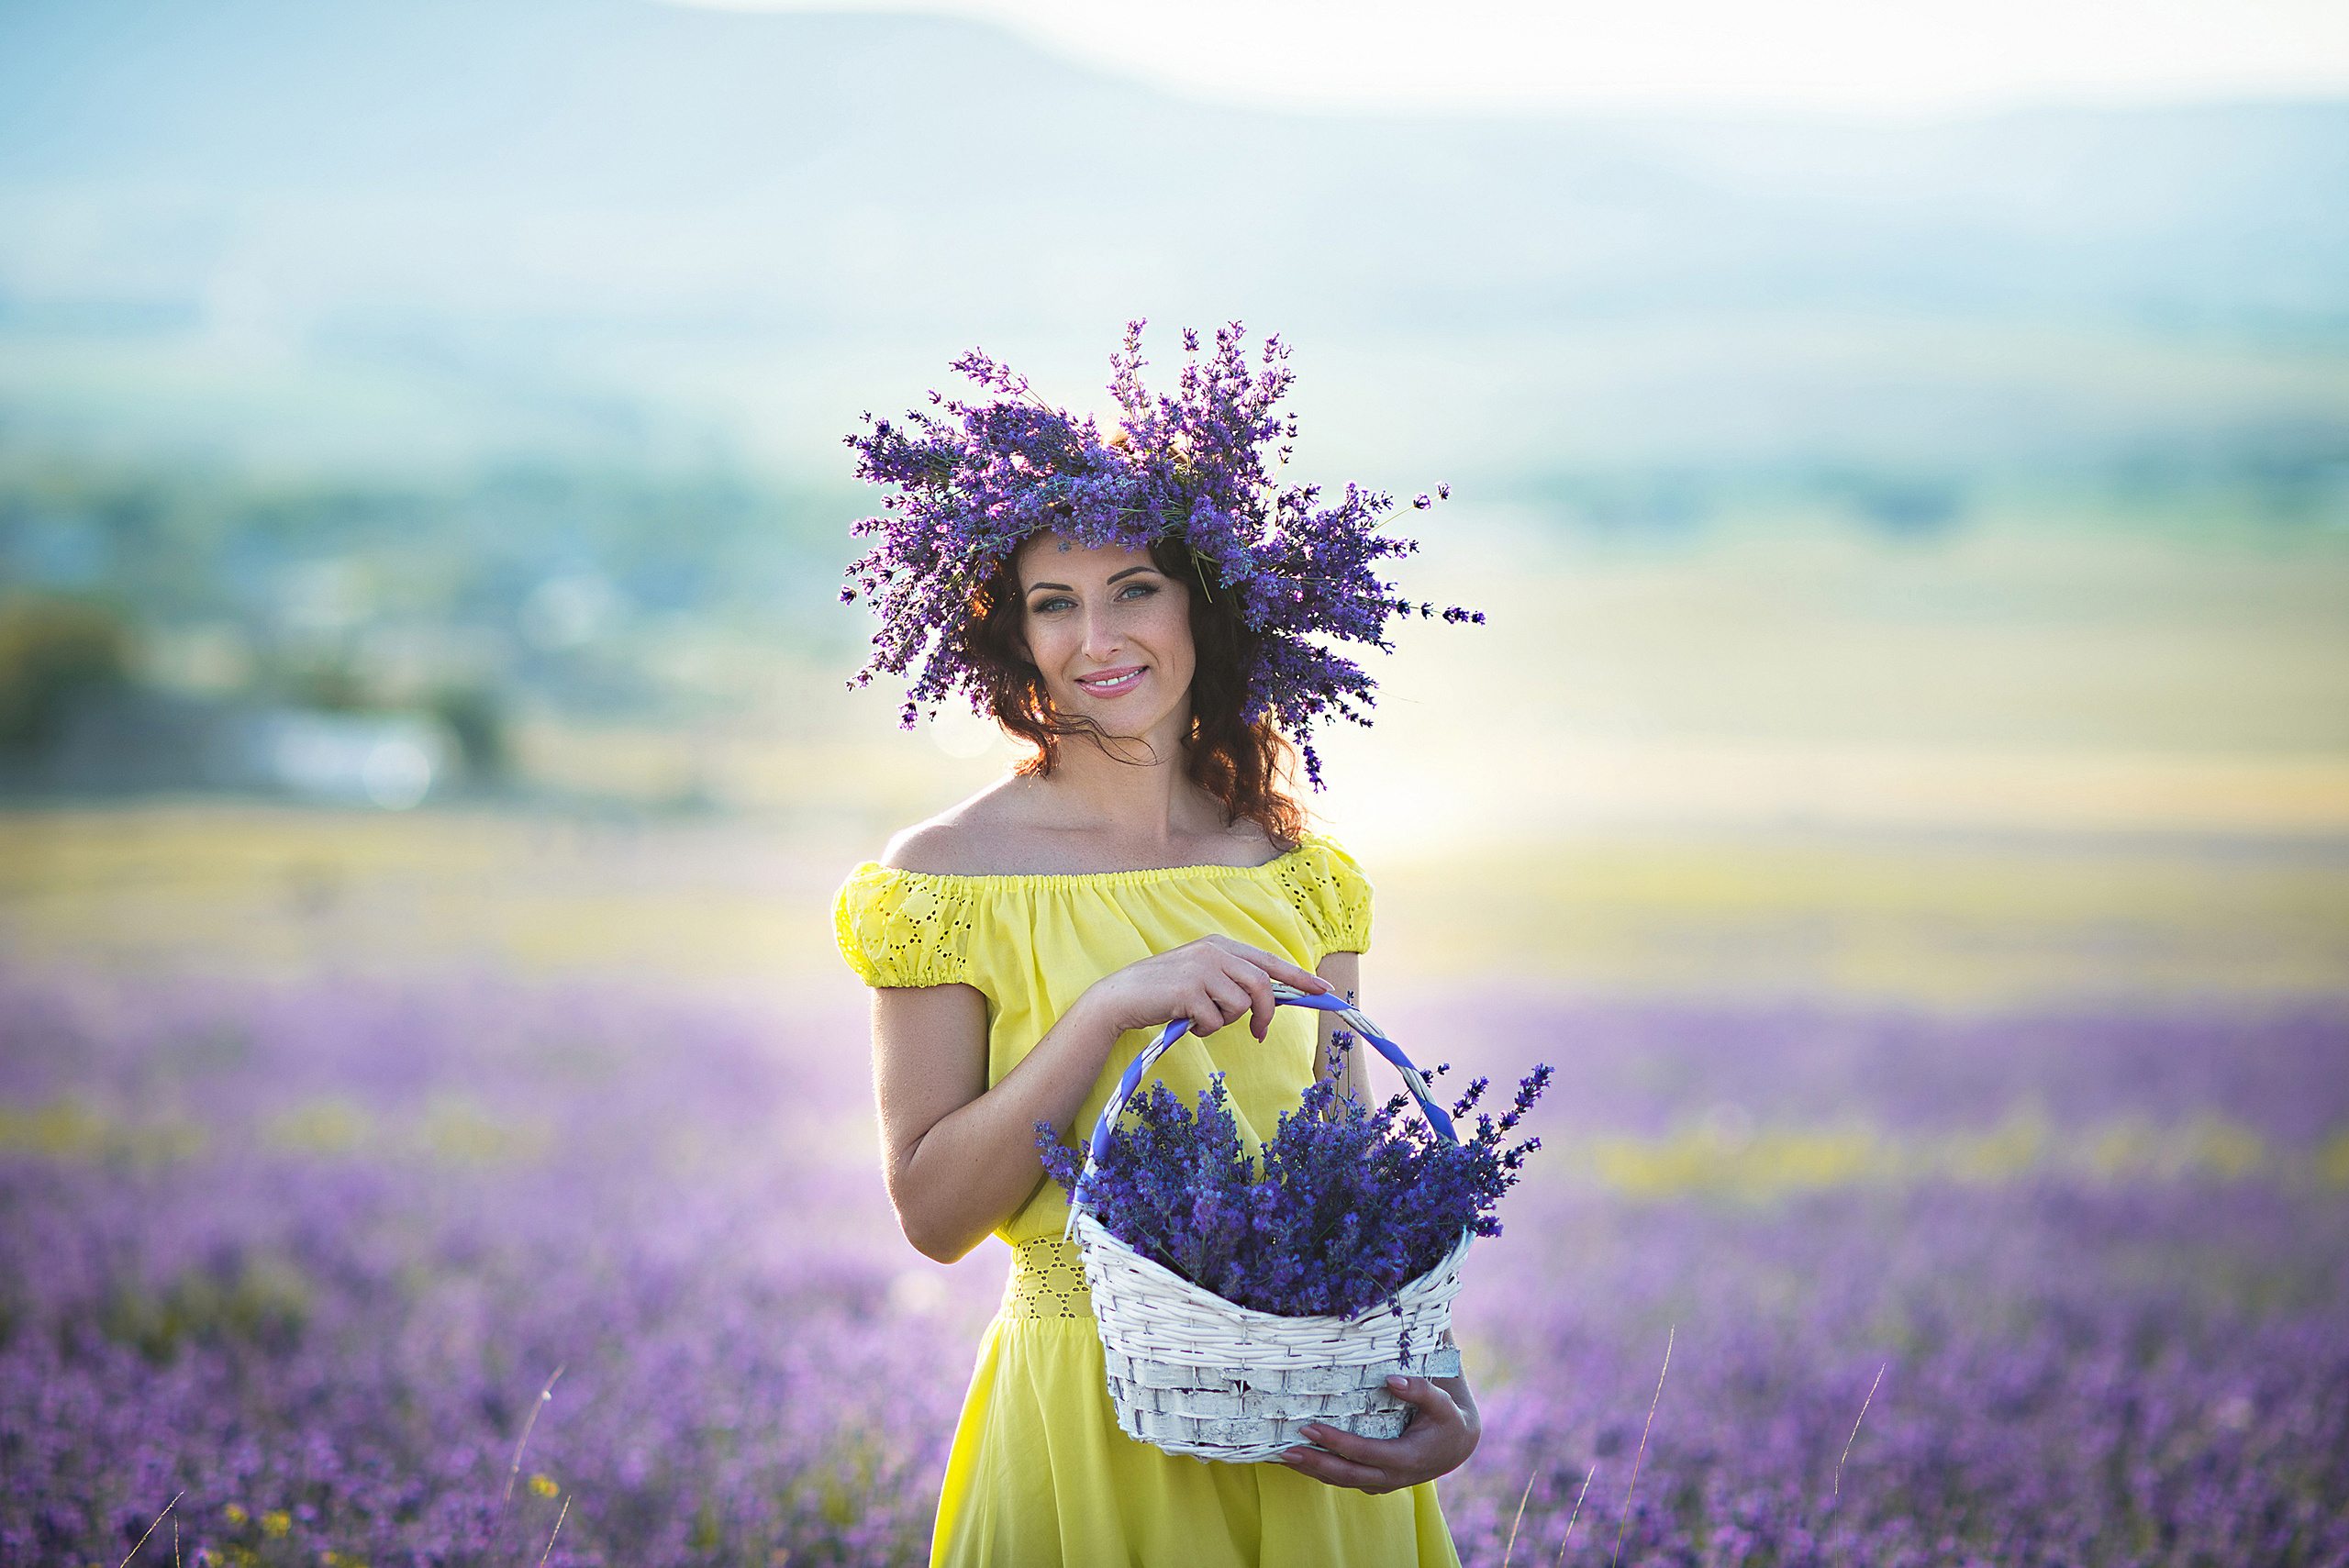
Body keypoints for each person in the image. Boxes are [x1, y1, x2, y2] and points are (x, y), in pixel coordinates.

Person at [831, 324, 1485, 1567]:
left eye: (1135, 587)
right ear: (1012, 635)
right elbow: (930, 1210)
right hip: (1088, 1430)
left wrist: (1439, 1394)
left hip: (1318, 1450)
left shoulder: (1297, 878)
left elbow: (1348, 1191)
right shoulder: (947, 880)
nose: (1099, 638)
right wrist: (1107, 1009)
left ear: (1204, 603)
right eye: (1053, 604)